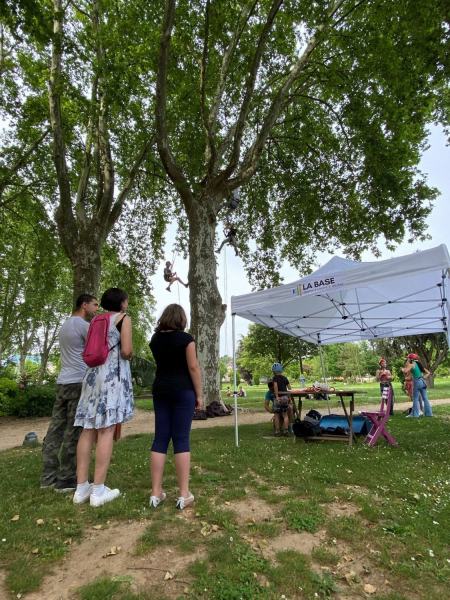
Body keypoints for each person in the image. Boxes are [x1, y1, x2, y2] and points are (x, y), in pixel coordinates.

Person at [73, 287, 134, 507]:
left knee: (88, 429)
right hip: (111, 377)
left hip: (91, 377)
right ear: (122, 303)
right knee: (106, 429)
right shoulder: (123, 319)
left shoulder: (96, 321)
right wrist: (130, 352)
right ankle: (98, 491)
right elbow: (126, 351)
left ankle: (81, 489)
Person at [40, 294, 99, 492]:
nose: (97, 309)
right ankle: (66, 478)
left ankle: (48, 477)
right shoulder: (82, 325)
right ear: (84, 305)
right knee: (74, 431)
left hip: (62, 382)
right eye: (94, 305)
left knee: (55, 428)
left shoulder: (65, 325)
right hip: (77, 382)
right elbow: (97, 347)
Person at [149, 304, 203, 510]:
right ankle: (183, 494)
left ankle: (156, 493)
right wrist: (199, 395)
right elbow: (193, 367)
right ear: (181, 319)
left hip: (161, 390)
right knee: (181, 438)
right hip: (183, 391)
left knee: (160, 438)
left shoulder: (155, 340)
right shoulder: (186, 339)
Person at [402, 353, 433, 418]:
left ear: (411, 359)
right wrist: (423, 378)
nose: (407, 359)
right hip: (422, 382)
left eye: (408, 358)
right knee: (425, 398)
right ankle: (429, 413)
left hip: (416, 382)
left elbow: (405, 371)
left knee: (415, 399)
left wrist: (403, 369)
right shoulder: (419, 365)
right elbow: (428, 373)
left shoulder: (412, 365)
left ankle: (415, 414)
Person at [271, 363, 292, 437]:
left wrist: (276, 396)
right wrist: (289, 396)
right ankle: (286, 431)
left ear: (274, 371)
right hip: (285, 397)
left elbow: (276, 387)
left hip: (279, 397)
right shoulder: (284, 378)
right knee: (285, 415)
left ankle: (277, 431)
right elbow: (289, 388)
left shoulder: (275, 378)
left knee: (277, 414)